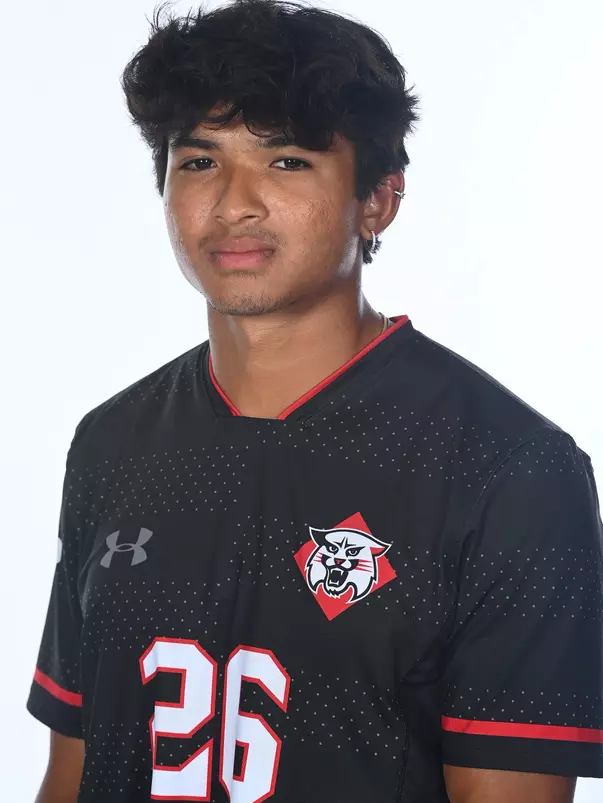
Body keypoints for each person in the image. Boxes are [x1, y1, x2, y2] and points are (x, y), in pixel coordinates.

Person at [27, 1, 603, 801]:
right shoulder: (112, 442)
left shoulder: (509, 470)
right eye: (199, 162)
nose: (234, 203)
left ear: (377, 200)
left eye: (286, 161)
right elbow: (73, 769)